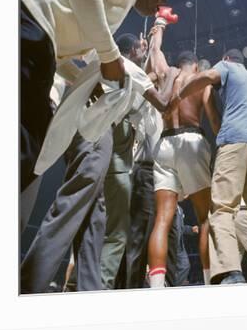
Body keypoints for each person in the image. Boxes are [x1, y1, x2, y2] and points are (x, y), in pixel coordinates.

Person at [19, 0, 171, 219]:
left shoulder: (117, 6)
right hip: (30, 11)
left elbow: (64, 51)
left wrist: (83, 81)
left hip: (38, 31)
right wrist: (110, 56)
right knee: (29, 137)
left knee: (32, 134)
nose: (157, 7)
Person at [20, 32, 178, 294]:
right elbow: (162, 102)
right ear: (134, 52)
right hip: (95, 134)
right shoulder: (129, 69)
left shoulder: (108, 62)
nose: (144, 48)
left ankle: (89, 289)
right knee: (72, 204)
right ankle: (30, 281)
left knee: (96, 218)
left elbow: (72, 58)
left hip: (81, 133)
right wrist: (171, 75)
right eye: (140, 47)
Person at [168, 49, 247, 284]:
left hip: (234, 142)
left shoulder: (226, 66)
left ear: (227, 59)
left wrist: (180, 93)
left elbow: (207, 76)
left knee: (221, 210)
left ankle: (231, 273)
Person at [100, 34, 179, 289]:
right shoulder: (145, 96)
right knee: (136, 238)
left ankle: (127, 286)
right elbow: (157, 74)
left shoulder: (138, 88)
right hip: (144, 171)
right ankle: (128, 290)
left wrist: (156, 36)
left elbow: (151, 66)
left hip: (150, 173)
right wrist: (171, 74)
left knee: (138, 237)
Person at [146, 21, 221, 288]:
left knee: (163, 218)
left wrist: (159, 27)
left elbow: (155, 51)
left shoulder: (166, 74)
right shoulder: (200, 81)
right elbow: (214, 122)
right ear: (197, 66)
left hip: (164, 144)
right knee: (205, 217)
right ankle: (210, 281)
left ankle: (156, 287)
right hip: (192, 141)